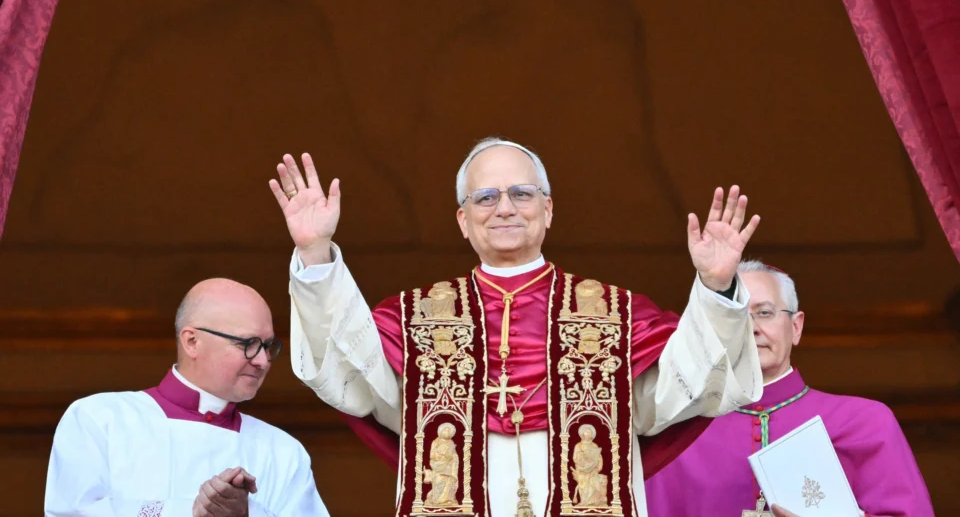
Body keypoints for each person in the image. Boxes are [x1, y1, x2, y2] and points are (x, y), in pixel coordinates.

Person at [270, 137, 764, 516]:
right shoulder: (416, 318)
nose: (505, 207)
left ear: (547, 210)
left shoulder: (616, 314)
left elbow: (686, 390)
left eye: (521, 193)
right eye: (485, 197)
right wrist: (315, 255)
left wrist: (717, 288)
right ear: (462, 220)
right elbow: (348, 376)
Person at [644, 261, 934, 517]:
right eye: (737, 316)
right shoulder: (676, 433)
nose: (752, 328)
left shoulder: (865, 421)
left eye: (765, 312)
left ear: (796, 327)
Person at [44, 278, 330, 516]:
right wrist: (189, 511)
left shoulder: (284, 452)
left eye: (268, 346)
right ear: (192, 341)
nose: (263, 361)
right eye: (249, 344)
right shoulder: (99, 419)